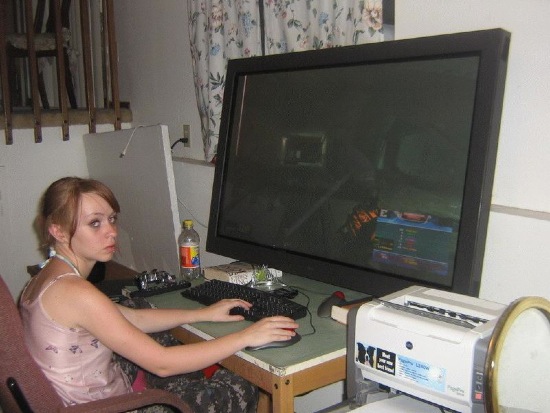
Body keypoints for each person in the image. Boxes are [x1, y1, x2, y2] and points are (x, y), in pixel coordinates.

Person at [19, 177, 298, 412]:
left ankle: (186, 385)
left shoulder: (45, 277)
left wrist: (203, 313)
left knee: (146, 315)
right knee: (241, 384)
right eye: (95, 223)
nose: (111, 231)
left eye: (111, 219)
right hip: (108, 408)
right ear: (57, 230)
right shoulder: (75, 292)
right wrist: (247, 336)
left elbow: (133, 318)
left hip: (86, 395)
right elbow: (162, 364)